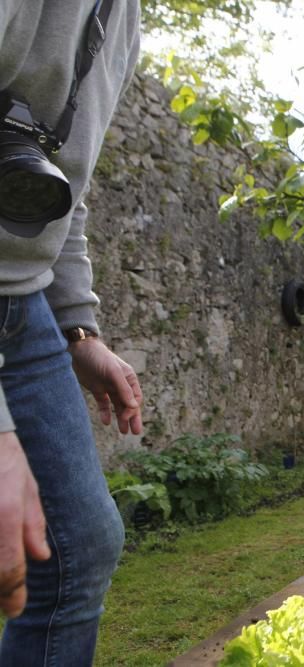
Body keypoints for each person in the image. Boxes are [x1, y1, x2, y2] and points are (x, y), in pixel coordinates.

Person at [0, 3, 142, 665]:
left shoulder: (126, 16)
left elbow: (58, 181)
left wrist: (77, 325)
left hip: (21, 302)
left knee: (77, 545)